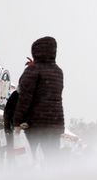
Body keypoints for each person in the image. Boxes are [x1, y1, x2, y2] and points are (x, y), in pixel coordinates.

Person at [14, 36, 65, 164]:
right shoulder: (58, 72)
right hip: (55, 124)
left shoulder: (33, 70)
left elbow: (25, 97)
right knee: (52, 160)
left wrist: (17, 121)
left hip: (36, 124)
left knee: (30, 158)